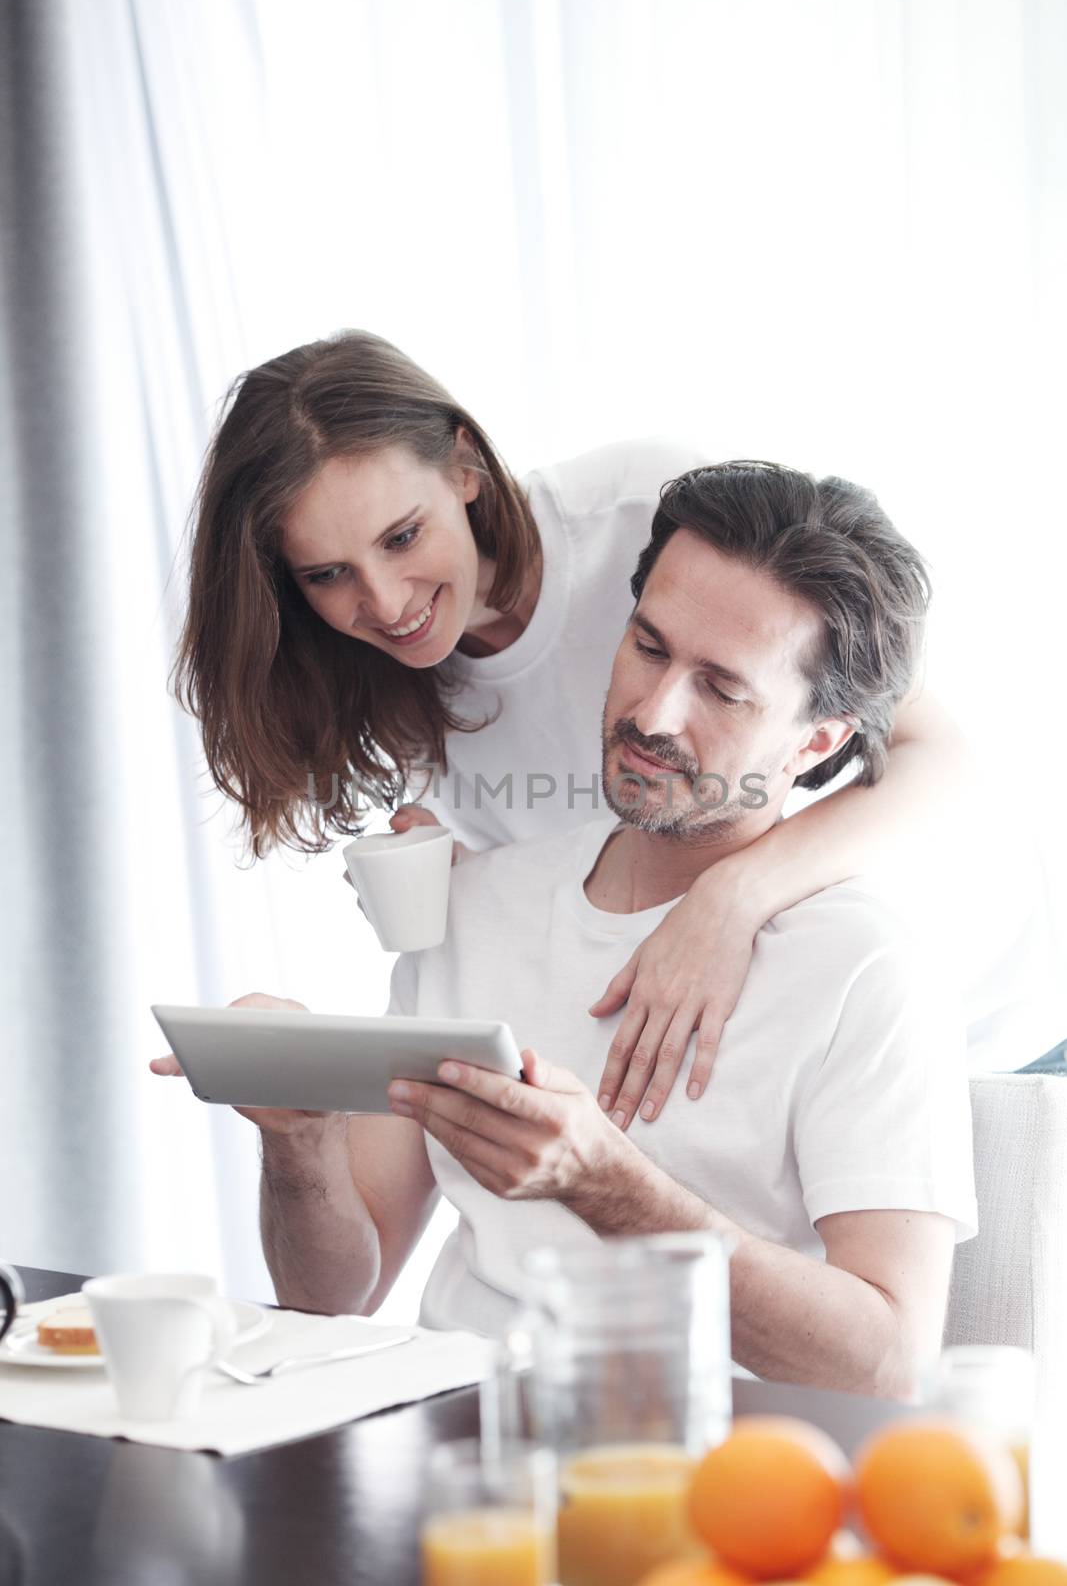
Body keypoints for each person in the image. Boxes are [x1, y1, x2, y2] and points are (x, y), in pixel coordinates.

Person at [160, 461, 977, 1399]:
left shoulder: (861, 965)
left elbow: (886, 1362)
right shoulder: (473, 906)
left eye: (721, 688)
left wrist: (607, 1186)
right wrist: (297, 1141)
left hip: (701, 1480)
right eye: (648, 647)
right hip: (451, 1441)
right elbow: (329, 1296)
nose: (653, 712)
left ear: (816, 743)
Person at [172, 331, 972, 1130]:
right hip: (705, 1049)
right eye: (327, 574)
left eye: (403, 536)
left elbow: (934, 754)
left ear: (464, 468)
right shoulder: (384, 681)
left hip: (942, 1004)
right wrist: (480, 886)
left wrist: (726, 901)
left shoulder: (642, 510)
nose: (383, 603)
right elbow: (600, 856)